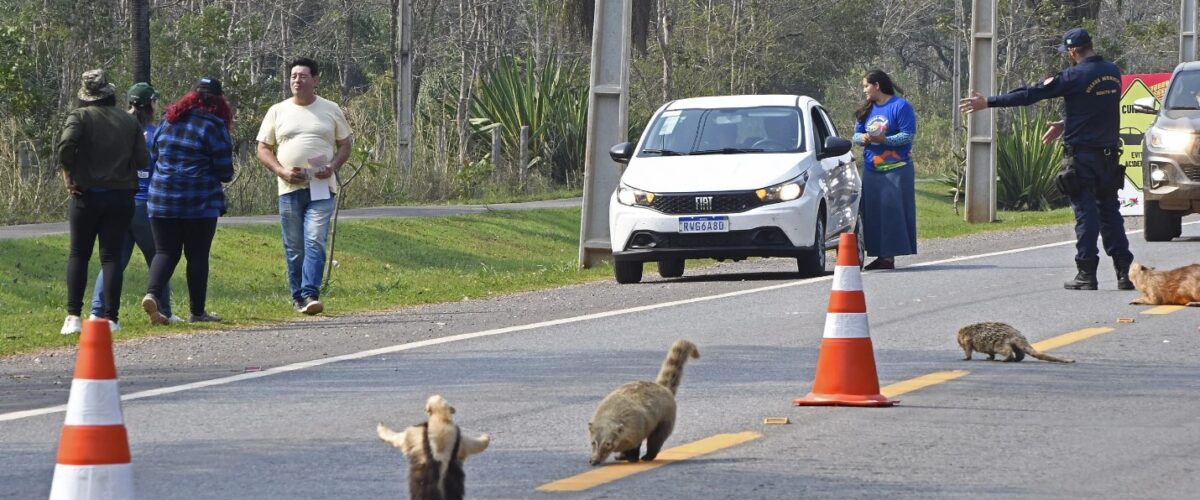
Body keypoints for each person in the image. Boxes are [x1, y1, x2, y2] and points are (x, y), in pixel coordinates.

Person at [960, 27, 1134, 291]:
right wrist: (1066, 124)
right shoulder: (1112, 72)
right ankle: (1124, 273)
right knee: (1110, 213)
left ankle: (1086, 274)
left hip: (1083, 157)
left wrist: (990, 102)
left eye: (1068, 53)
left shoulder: (1075, 75)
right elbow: (1096, 110)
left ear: (1073, 51)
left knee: (1086, 215)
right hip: (1108, 157)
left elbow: (1032, 94)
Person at [255, 57, 353, 315]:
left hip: (321, 188)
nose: (297, 80)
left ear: (316, 80)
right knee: (295, 246)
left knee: (314, 240)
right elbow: (263, 148)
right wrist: (281, 171)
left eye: (303, 76)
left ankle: (311, 294)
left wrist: (332, 165)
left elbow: (345, 143)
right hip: (289, 189)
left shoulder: (330, 109)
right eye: (293, 76)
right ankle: (297, 297)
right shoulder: (278, 110)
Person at [56, 69, 147, 334]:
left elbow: (65, 146)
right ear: (109, 93)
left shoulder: (79, 117)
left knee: (78, 254)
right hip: (121, 196)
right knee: (110, 257)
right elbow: (143, 160)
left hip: (85, 195)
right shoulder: (128, 121)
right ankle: (110, 318)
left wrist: (68, 173)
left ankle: (73, 316)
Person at [141, 77, 233, 324]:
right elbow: (225, 171)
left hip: (160, 199)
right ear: (219, 102)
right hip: (198, 202)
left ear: (191, 96)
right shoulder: (214, 125)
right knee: (197, 255)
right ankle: (197, 312)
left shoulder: (168, 120)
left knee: (165, 251)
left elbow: (155, 154)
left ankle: (152, 294)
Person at [88, 83, 182, 325]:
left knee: (114, 261)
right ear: (150, 104)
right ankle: (165, 311)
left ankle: (98, 312)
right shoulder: (155, 132)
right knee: (160, 256)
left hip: (116, 202)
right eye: (155, 101)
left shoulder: (114, 129)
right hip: (145, 204)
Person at [853, 69, 918, 270]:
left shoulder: (900, 106)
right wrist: (861, 139)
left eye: (866, 86)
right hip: (873, 169)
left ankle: (889, 256)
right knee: (872, 213)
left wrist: (885, 140)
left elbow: (908, 135)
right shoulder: (867, 110)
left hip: (897, 169)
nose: (864, 90)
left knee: (892, 212)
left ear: (877, 86)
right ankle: (880, 255)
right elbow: (855, 135)